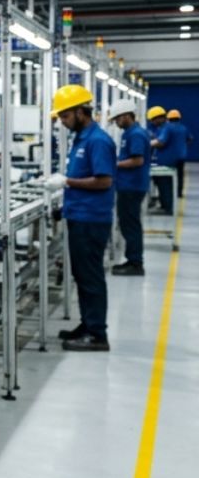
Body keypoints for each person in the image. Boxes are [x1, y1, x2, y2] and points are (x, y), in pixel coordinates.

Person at [46, 85, 115, 352]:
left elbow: (104, 181)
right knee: (82, 275)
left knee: (90, 276)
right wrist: (64, 206)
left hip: (91, 220)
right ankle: (88, 325)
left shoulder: (98, 140)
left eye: (65, 116)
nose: (62, 122)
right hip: (79, 215)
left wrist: (66, 182)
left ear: (80, 112)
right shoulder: (82, 138)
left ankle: (97, 335)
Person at [107, 99, 150, 276]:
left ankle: (135, 263)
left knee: (130, 225)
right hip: (129, 185)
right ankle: (133, 260)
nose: (116, 122)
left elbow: (137, 160)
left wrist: (114, 164)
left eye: (117, 118)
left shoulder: (136, 134)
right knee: (128, 223)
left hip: (132, 186)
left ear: (126, 116)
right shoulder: (130, 133)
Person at [148, 106, 175, 214]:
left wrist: (147, 143)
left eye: (153, 120)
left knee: (165, 185)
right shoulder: (162, 128)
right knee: (161, 183)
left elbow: (160, 142)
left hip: (166, 162)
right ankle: (164, 205)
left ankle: (167, 208)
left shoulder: (167, 128)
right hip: (161, 161)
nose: (152, 122)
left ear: (160, 118)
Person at [168, 109, 189, 198]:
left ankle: (170, 193)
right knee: (180, 175)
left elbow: (162, 141)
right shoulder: (183, 128)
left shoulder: (167, 128)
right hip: (181, 155)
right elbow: (189, 139)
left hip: (170, 157)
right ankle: (179, 193)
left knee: (168, 175)